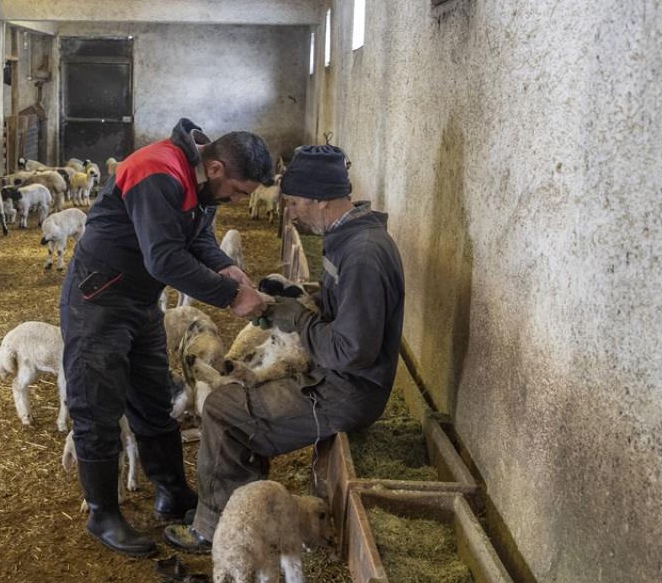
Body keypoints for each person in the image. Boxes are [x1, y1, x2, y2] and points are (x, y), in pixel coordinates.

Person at [164, 144, 405, 553]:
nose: (288, 212)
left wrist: (299, 320)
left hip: (345, 391)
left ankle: (217, 528)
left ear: (320, 197)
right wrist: (287, 307)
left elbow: (352, 350)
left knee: (222, 409)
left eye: (293, 202)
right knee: (237, 400)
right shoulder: (350, 240)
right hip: (331, 377)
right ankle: (253, 512)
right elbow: (339, 320)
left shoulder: (362, 255)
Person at [61, 118, 274, 557]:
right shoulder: (158, 171)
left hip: (140, 300)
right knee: (97, 403)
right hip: (99, 297)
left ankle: (172, 492)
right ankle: (102, 512)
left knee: (153, 397)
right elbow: (163, 257)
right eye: (238, 191)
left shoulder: (200, 182)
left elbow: (196, 238)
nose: (236, 201)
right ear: (216, 169)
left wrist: (224, 266)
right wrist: (231, 296)